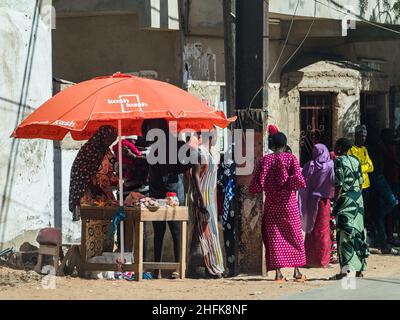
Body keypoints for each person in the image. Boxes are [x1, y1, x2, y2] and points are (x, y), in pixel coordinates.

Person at [249, 132, 307, 282]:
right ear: (285, 144)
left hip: (272, 204)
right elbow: (299, 180)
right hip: (289, 205)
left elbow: (256, 185)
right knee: (294, 236)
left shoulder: (265, 161)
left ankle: (278, 274)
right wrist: (287, 185)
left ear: (272, 144)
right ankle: (297, 272)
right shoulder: (291, 159)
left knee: (275, 237)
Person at [142, 119, 195, 279]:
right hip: (156, 195)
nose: (151, 131)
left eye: (154, 127)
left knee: (176, 231)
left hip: (174, 194)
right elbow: (152, 172)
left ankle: (179, 268)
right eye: (149, 128)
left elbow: (193, 157)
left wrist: (176, 171)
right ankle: (157, 270)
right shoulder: (153, 150)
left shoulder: (176, 145)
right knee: (158, 232)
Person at [68, 125, 119, 258]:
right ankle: (91, 260)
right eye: (109, 138)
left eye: (113, 139)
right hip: (89, 196)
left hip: (102, 196)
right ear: (102, 136)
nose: (111, 142)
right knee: (92, 227)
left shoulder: (105, 151)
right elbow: (99, 176)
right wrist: (111, 196)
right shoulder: (91, 150)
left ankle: (103, 259)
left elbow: (110, 171)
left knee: (106, 228)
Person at [330, 138, 369, 280]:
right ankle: (359, 270)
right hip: (358, 200)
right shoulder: (356, 160)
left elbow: (339, 183)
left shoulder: (339, 161)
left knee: (344, 236)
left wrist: (335, 204)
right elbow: (360, 181)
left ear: (339, 147)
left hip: (345, 200)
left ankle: (345, 271)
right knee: (358, 233)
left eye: (336, 146)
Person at [188, 130, 225, 279]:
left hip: (210, 197)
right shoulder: (199, 153)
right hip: (203, 199)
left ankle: (200, 265)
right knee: (208, 232)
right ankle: (213, 268)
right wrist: (202, 202)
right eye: (214, 134)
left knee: (207, 232)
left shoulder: (210, 153)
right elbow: (195, 176)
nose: (216, 137)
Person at [299, 144, 335, 268]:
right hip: (324, 201)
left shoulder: (310, 165)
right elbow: (333, 181)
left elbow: (302, 182)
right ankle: (322, 261)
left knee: (311, 229)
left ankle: (309, 259)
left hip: (311, 200)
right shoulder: (330, 165)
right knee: (323, 231)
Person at [348, 125, 374, 230]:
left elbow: (371, 166)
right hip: (356, 186)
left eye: (364, 136)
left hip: (366, 184)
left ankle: (363, 229)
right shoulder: (351, 150)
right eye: (360, 136)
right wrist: (364, 166)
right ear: (355, 136)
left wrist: (360, 167)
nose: (363, 138)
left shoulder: (364, 149)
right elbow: (352, 167)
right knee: (356, 209)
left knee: (365, 209)